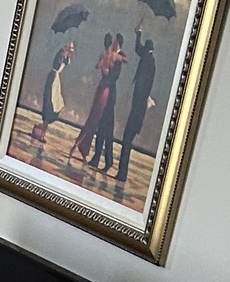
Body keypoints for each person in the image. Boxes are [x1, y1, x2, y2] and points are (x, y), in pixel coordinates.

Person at [76, 32, 125, 168]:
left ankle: (103, 160)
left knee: (105, 130)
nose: (113, 45)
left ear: (118, 43)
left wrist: (105, 69)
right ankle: (99, 159)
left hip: (109, 95)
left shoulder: (120, 56)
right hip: (105, 93)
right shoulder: (111, 55)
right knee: (103, 129)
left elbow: (113, 77)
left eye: (115, 42)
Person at [117, 30, 157, 185]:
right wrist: (139, 32)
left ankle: (122, 173)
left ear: (147, 49)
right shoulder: (150, 59)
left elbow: (138, 50)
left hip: (137, 109)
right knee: (128, 140)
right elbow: (139, 49)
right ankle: (122, 173)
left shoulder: (147, 61)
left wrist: (138, 34)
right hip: (138, 109)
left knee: (127, 140)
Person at [40, 39, 73, 128]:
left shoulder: (65, 57)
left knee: (56, 102)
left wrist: (68, 56)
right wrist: (66, 55)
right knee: (50, 101)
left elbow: (66, 63)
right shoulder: (60, 55)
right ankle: (43, 128)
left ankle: (44, 127)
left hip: (56, 79)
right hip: (53, 78)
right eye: (70, 48)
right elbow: (58, 66)